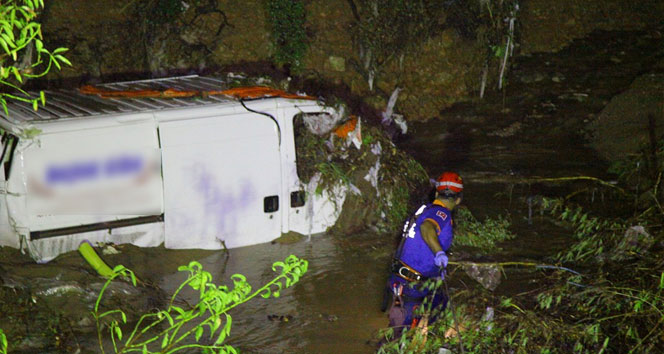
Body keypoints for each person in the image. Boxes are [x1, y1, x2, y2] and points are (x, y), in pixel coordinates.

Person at [385, 171, 463, 330]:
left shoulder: (424, 209)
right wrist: (439, 253)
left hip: (399, 277)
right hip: (413, 284)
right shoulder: (441, 214)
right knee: (404, 332)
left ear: (436, 193)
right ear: (459, 199)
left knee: (440, 308)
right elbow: (427, 227)